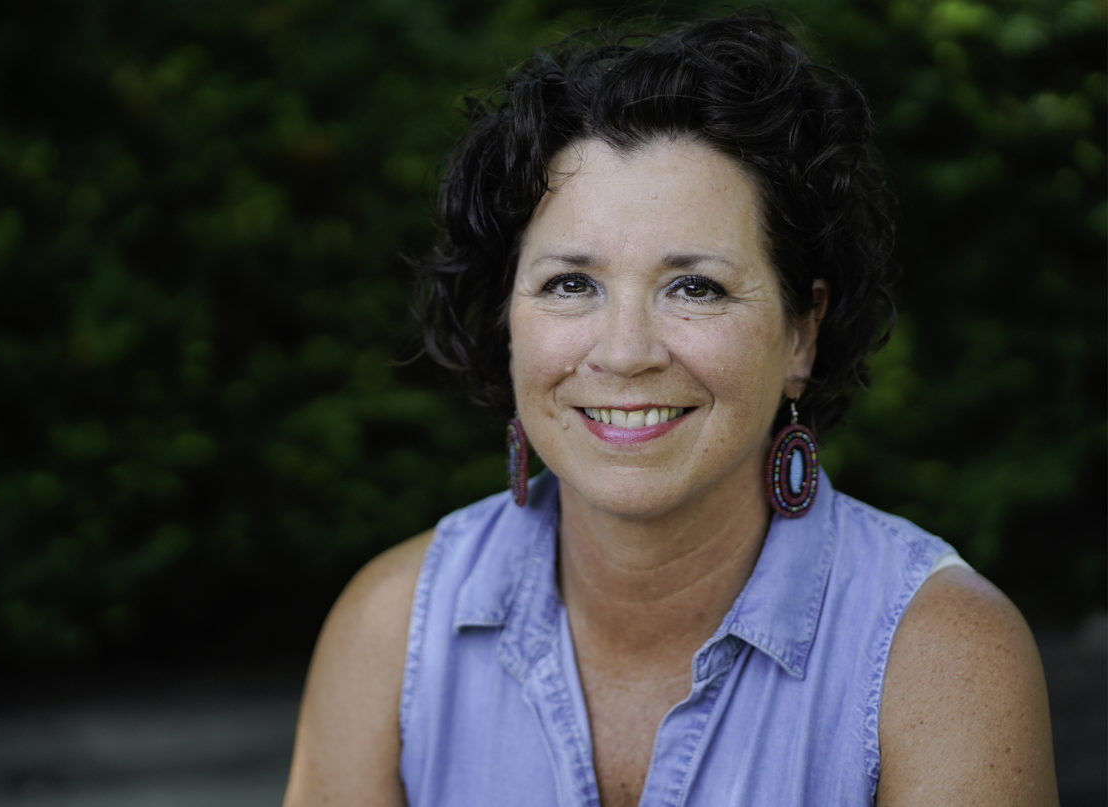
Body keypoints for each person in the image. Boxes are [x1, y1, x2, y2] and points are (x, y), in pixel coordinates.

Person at [283, 12, 1058, 806]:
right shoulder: (390, 630)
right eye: (570, 283)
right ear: (507, 321)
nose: (624, 352)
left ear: (802, 331)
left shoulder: (944, 656)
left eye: (696, 286)